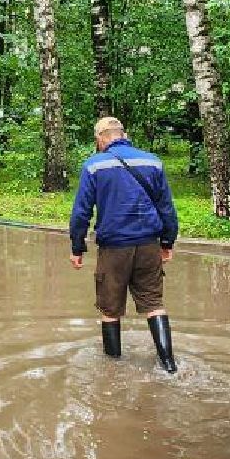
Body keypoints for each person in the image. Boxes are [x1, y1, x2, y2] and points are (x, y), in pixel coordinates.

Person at [68, 117, 180, 373]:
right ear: (123, 135)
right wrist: (167, 242)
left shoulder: (94, 165)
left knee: (110, 309)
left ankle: (113, 371)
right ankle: (169, 366)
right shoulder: (153, 162)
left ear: (100, 139)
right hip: (148, 245)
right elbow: (166, 208)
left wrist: (77, 248)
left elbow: (81, 212)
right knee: (154, 304)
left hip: (114, 248)